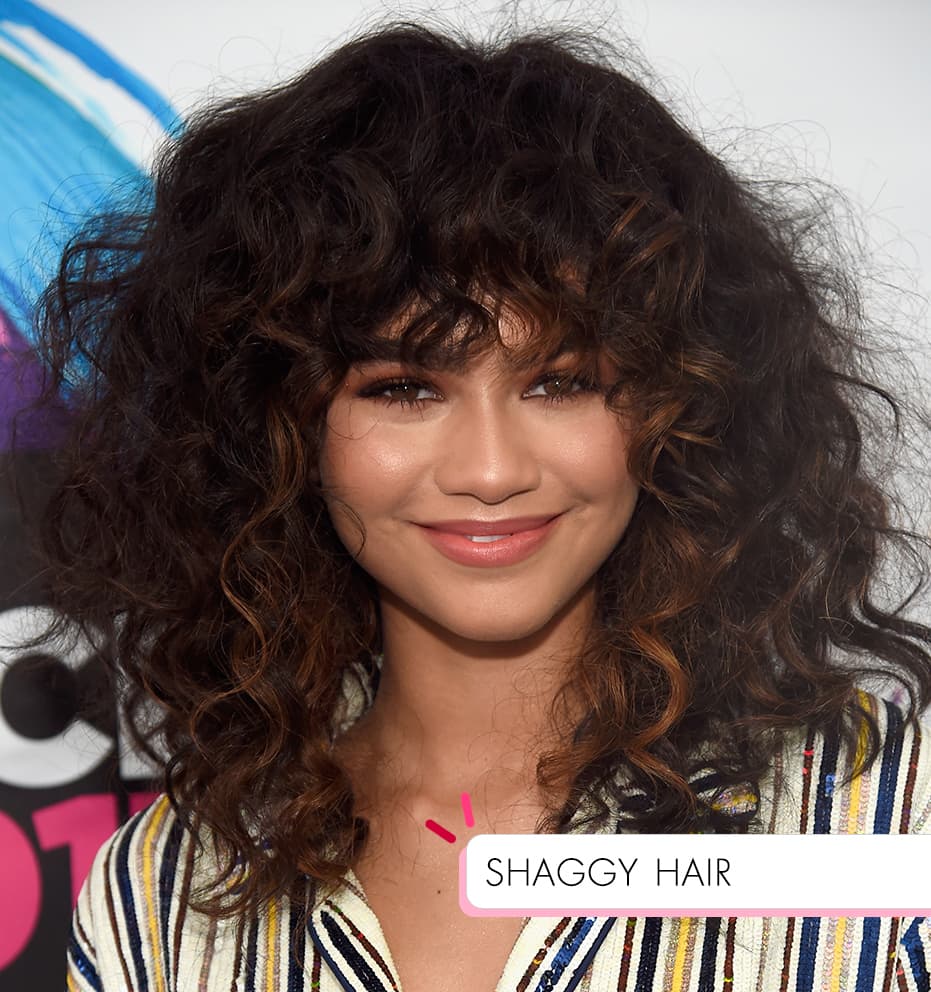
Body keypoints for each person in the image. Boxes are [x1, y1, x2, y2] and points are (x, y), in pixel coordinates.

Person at [19, 19, 931, 992]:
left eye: (561, 380)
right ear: (281, 421)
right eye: (404, 387)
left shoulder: (884, 819)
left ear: (674, 403)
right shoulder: (161, 893)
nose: (491, 469)